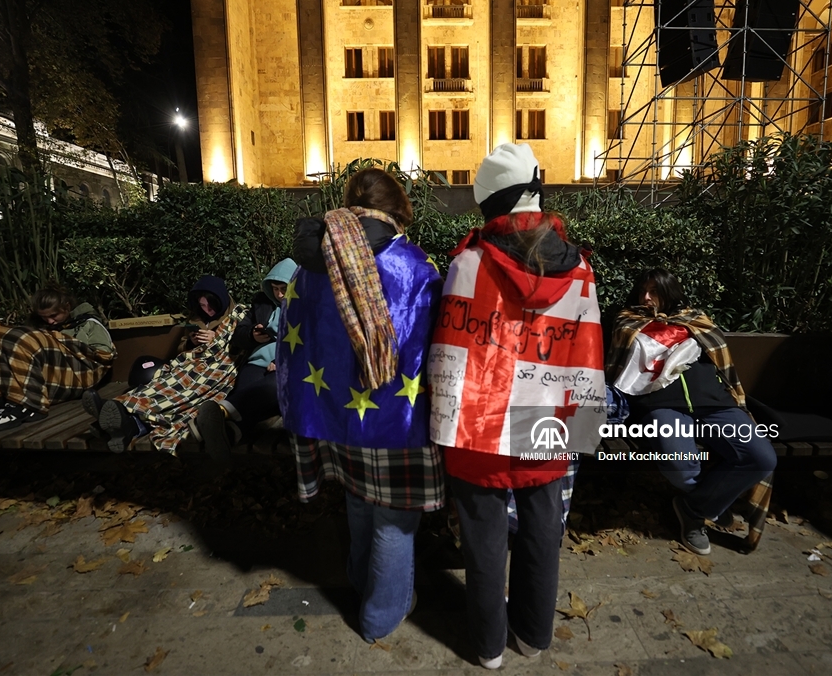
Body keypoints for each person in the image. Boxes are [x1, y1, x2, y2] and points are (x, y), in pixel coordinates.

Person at [427, 143, 606, 670]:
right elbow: (585, 355)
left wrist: (440, 425)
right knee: (543, 536)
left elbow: (449, 353)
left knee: (482, 543)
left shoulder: (466, 263)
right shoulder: (579, 271)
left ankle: (487, 648)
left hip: (477, 423)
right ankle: (533, 636)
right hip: (548, 423)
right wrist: (584, 429)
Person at [277, 168, 444, 644]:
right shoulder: (411, 264)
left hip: (333, 417)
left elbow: (294, 342)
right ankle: (381, 615)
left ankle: (361, 581)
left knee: (358, 500)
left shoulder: (306, 268)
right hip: (398, 420)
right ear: (396, 210)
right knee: (394, 515)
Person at [607, 267, 777, 556]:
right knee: (681, 466)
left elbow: (721, 360)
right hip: (659, 405)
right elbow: (619, 366)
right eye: (643, 291)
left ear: (670, 292)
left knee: (761, 458)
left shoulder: (695, 320)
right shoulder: (626, 320)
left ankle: (694, 509)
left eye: (655, 291)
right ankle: (709, 503)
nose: (647, 297)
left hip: (713, 403)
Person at [84, 276, 248, 453]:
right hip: (189, 363)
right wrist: (191, 343)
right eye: (202, 306)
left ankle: (119, 419)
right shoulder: (195, 320)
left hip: (217, 368)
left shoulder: (238, 315)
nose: (207, 311)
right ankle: (122, 419)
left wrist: (216, 339)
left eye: (211, 306)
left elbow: (242, 343)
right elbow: (181, 348)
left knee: (185, 390)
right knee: (162, 384)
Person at [0, 284, 115, 432]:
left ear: (67, 307)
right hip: (46, 376)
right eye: (44, 317)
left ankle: (29, 405)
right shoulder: (40, 326)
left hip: (76, 376)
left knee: (27, 337)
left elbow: (103, 357)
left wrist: (61, 341)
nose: (49, 321)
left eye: (54, 315)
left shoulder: (89, 323)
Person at [192, 258, 298, 464]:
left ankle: (221, 413)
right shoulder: (262, 303)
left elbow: (312, 340)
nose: (279, 294)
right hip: (256, 362)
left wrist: (283, 360)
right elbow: (239, 333)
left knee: (272, 388)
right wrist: (252, 335)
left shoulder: (307, 307)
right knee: (251, 395)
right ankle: (230, 433)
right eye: (275, 288)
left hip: (288, 365)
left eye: (283, 288)